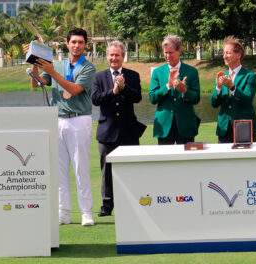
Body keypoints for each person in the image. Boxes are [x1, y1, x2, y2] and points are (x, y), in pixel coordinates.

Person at [23, 28, 96, 226]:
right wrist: (35, 64)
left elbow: (73, 89)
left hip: (79, 119)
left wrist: (52, 71)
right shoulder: (59, 64)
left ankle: (86, 212)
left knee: (81, 168)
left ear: (85, 45)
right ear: (67, 43)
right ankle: (63, 212)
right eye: (73, 42)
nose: (77, 46)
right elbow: (36, 84)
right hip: (58, 119)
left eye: (81, 42)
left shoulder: (88, 68)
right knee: (60, 169)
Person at [92, 41, 146, 217]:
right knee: (107, 171)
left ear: (123, 56)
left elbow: (137, 97)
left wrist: (124, 88)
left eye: (117, 55)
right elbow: (96, 99)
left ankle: (131, 202)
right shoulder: (99, 77)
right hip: (107, 131)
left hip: (128, 130)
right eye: (111, 55)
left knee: (131, 169)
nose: (114, 58)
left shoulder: (133, 75)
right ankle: (107, 205)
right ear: (107, 56)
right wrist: (114, 92)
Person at [149, 34, 200, 144]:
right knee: (164, 160)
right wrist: (168, 86)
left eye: (171, 52)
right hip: (163, 126)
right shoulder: (157, 72)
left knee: (186, 160)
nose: (167, 56)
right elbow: (152, 98)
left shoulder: (191, 71)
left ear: (179, 51)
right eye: (165, 52)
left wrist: (185, 91)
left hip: (186, 126)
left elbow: (196, 99)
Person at [210, 36, 256, 143]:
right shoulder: (221, 76)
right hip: (224, 128)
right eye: (224, 53)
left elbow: (247, 100)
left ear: (239, 55)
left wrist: (232, 87)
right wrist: (218, 88)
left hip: (244, 127)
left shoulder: (250, 76)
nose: (224, 56)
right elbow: (214, 104)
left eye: (228, 53)